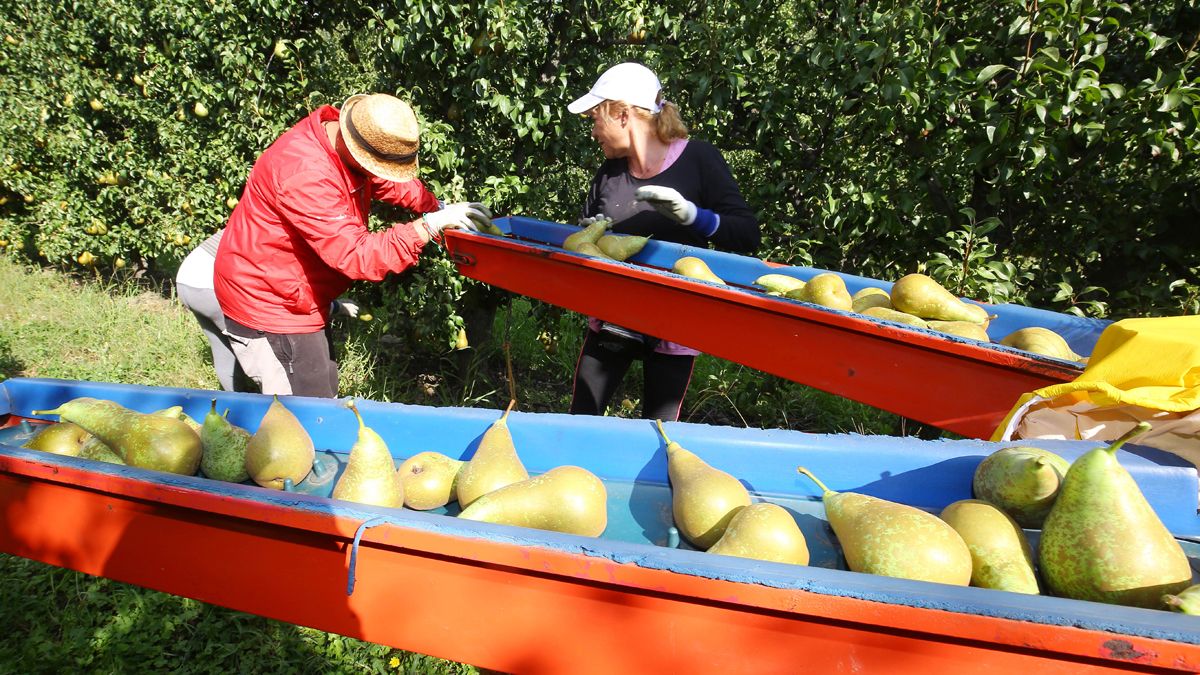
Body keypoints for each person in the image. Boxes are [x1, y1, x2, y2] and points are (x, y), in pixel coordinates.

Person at [214, 92, 492, 398]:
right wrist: (427, 227)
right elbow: (357, 255)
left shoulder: (344, 142)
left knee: (320, 391)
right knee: (304, 414)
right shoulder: (305, 172)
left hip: (296, 291)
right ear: (358, 150)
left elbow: (387, 181)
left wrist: (435, 205)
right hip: (270, 301)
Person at [565, 62, 760, 422]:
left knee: (660, 432)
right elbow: (585, 240)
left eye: (596, 118)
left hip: (675, 323)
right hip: (613, 318)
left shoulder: (699, 160)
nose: (593, 131)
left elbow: (747, 234)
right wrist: (589, 231)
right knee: (581, 417)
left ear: (622, 114)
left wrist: (693, 216)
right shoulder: (610, 173)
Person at [176, 229, 359, 392]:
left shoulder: (259, 221)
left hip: (187, 280)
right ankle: (267, 408)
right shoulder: (296, 235)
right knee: (264, 354)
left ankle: (233, 408)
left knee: (224, 349)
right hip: (213, 283)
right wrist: (338, 307)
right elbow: (295, 299)